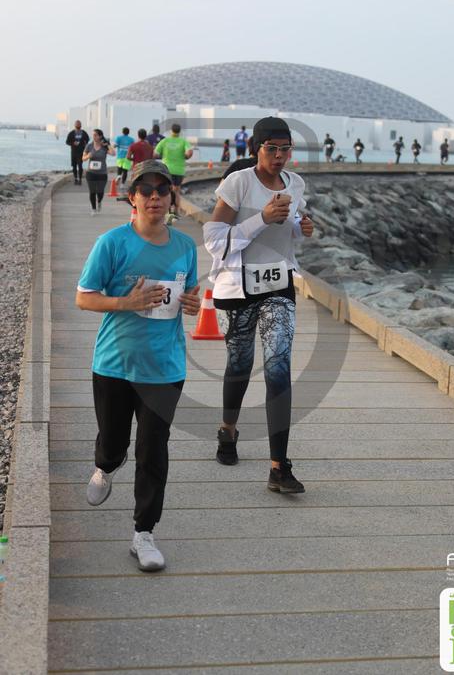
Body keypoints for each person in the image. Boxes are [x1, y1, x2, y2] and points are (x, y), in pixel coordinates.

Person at [76, 159, 200, 571]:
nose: (154, 197)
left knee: (153, 449)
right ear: (132, 197)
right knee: (114, 441)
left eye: (162, 190)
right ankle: (106, 465)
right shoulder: (111, 243)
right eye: (145, 190)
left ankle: (143, 533)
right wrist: (125, 302)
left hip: (165, 368)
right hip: (114, 363)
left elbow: (189, 294)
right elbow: (84, 297)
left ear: (171, 197)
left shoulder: (185, 247)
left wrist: (193, 305)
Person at [203, 116, 314, 493]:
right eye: (272, 149)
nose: (279, 156)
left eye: (286, 149)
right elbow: (214, 240)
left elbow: (290, 226)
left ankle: (279, 466)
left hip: (279, 286)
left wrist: (300, 227)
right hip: (237, 288)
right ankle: (228, 430)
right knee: (239, 364)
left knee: (278, 368)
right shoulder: (238, 182)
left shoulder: (295, 184)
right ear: (257, 149)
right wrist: (261, 219)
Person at [154, 123, 194, 218]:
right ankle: (176, 211)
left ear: (171, 131)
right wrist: (186, 156)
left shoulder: (165, 141)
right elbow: (190, 152)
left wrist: (163, 156)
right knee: (176, 191)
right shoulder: (183, 141)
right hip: (179, 170)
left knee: (167, 191)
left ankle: (168, 211)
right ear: (179, 131)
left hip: (166, 169)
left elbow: (155, 154)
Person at [82, 129, 115, 215]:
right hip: (90, 173)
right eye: (93, 135)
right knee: (92, 191)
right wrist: (88, 156)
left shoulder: (104, 146)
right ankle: (93, 209)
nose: (93, 136)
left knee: (100, 192)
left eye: (95, 135)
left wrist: (108, 145)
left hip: (102, 173)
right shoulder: (89, 146)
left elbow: (113, 153)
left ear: (100, 136)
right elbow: (83, 158)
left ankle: (99, 201)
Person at [66, 120, 90, 185]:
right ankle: (76, 178)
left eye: (79, 124)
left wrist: (85, 143)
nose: (78, 125)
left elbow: (87, 139)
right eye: (77, 124)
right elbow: (67, 142)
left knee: (80, 166)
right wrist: (73, 143)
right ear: (75, 125)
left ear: (81, 125)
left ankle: (80, 179)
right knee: (74, 166)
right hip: (73, 152)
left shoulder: (83, 133)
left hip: (81, 152)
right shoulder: (71, 133)